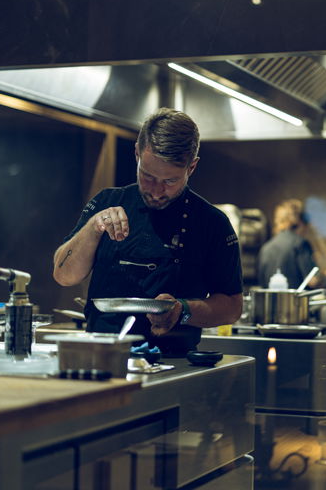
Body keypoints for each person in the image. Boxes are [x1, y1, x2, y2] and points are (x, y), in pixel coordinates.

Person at [53, 108, 243, 355]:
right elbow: (63, 275)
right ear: (137, 154)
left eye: (170, 181)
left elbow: (231, 307)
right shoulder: (106, 202)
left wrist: (182, 310)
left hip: (174, 362)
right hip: (101, 357)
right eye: (148, 176)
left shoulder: (212, 222)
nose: (156, 190)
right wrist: (94, 226)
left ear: (192, 167)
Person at [257, 199, 321, 289]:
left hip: (270, 302)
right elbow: (313, 281)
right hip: (295, 302)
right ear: (299, 222)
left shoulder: (266, 247)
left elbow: (262, 283)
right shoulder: (301, 244)